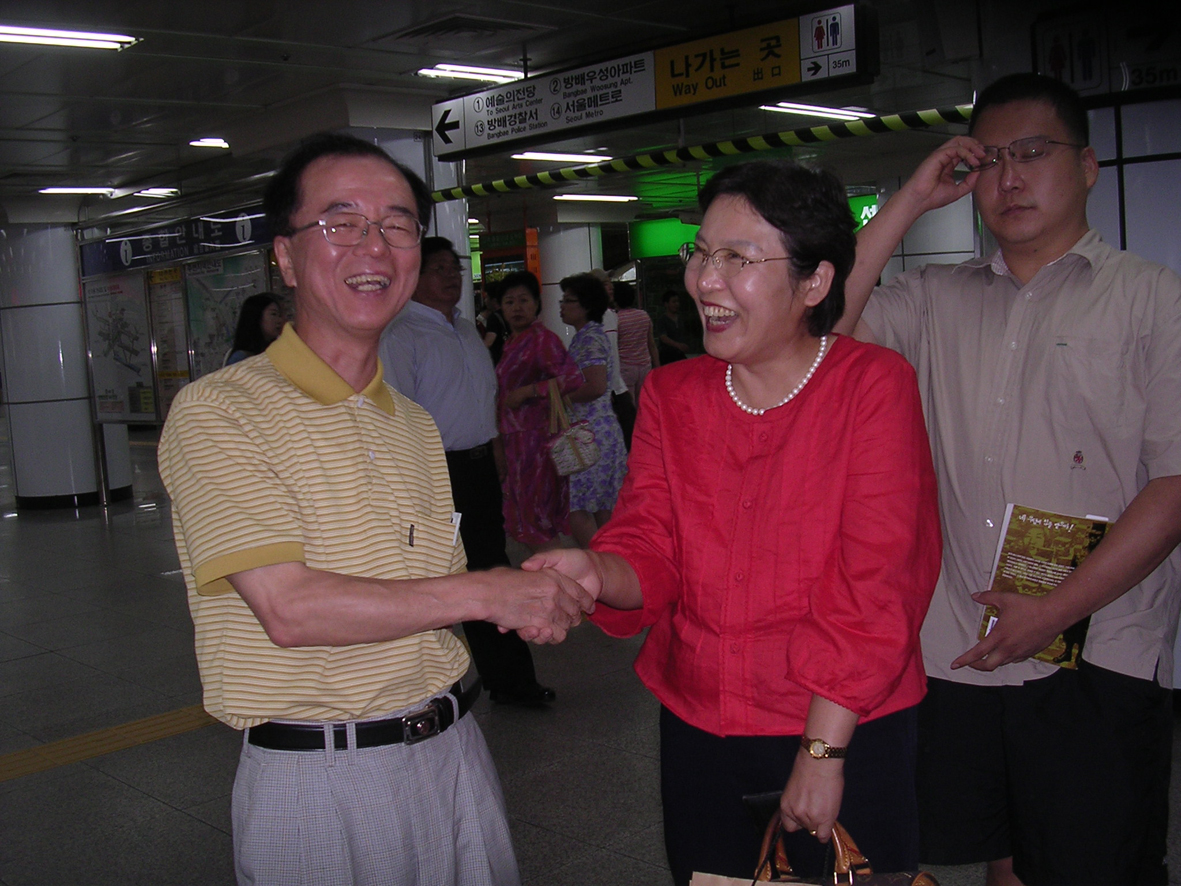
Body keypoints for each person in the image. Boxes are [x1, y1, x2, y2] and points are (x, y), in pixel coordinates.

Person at [158, 132, 593, 886]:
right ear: (286, 256)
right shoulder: (219, 412)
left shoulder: (413, 423)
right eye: (341, 222)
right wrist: (489, 591)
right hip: (320, 776)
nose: (374, 246)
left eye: (396, 225)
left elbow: (427, 598)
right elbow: (290, 609)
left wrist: (535, 595)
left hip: (455, 752)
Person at [527, 159, 941, 885]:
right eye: (703, 253)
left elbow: (877, 584)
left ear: (814, 282)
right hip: (701, 724)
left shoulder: (871, 385)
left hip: (840, 722)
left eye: (738, 259)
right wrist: (596, 570)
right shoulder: (672, 393)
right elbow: (649, 540)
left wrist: (820, 756)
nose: (704, 281)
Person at [835, 73, 1181, 886]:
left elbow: (1174, 485)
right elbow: (821, 328)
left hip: (1096, 649)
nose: (1009, 178)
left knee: (1096, 862)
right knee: (1003, 853)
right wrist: (908, 201)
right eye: (988, 160)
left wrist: (1053, 612)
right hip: (961, 645)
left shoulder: (1151, 301)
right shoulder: (933, 299)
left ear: (1086, 166)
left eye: (1031, 152)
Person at [380, 237, 556, 709]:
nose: (451, 277)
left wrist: (496, 452)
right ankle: (426, 684)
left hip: (478, 468)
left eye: (454, 269)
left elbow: (484, 400)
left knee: (489, 567)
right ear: (414, 275)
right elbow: (394, 416)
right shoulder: (400, 335)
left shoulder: (466, 330)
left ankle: (510, 680)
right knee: (434, 576)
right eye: (439, 269)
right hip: (434, 472)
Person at [495, 270, 584, 551]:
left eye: (524, 300)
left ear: (536, 303)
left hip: (537, 443)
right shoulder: (512, 341)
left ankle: (558, 575)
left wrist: (529, 391)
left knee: (537, 522)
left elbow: (573, 378)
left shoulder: (542, 339)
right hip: (515, 443)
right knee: (526, 520)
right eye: (509, 302)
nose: (517, 308)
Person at [557, 273, 628, 548]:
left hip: (589, 435)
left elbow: (595, 386)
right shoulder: (589, 336)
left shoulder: (589, 339)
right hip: (598, 432)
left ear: (586, 305)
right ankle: (610, 561)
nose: (562, 306)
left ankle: (600, 563)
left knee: (577, 509)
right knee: (601, 507)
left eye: (569, 300)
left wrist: (561, 398)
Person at [613, 280, 659, 405]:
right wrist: (657, 366)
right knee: (643, 404)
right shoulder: (644, 316)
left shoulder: (616, 319)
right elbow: (651, 344)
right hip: (645, 365)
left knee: (629, 404)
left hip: (625, 368)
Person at [224, 292, 284, 365]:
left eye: (280, 315)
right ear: (256, 316)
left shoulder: (277, 351)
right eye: (274, 314)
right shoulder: (240, 358)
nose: (280, 320)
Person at [655, 289, 690, 365]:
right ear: (666, 304)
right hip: (667, 356)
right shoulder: (662, 320)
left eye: (677, 302)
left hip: (680, 355)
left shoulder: (680, 318)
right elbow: (663, 337)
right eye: (674, 302)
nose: (676, 304)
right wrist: (678, 345)